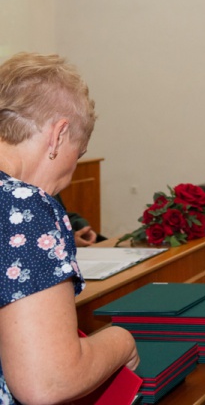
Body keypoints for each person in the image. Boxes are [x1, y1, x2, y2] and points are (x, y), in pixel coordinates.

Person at [0, 52, 139, 403]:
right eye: (78, 155)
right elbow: (48, 382)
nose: (69, 177)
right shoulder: (23, 205)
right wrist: (121, 341)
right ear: (59, 135)